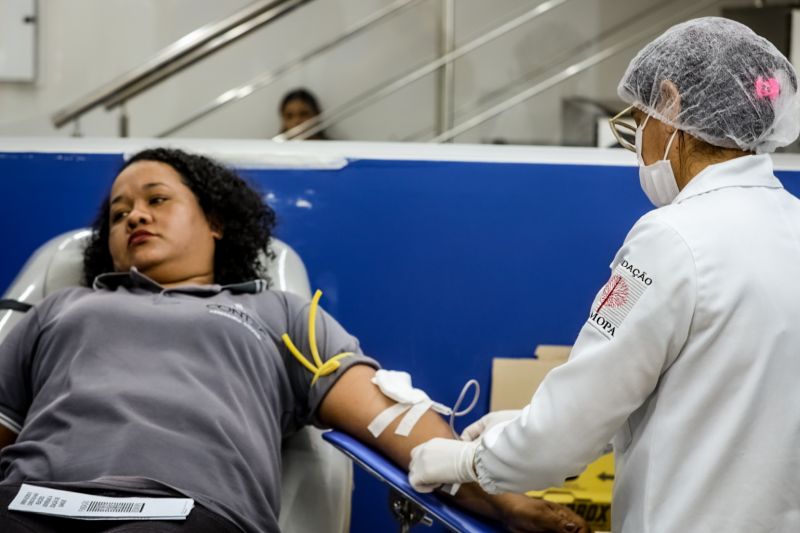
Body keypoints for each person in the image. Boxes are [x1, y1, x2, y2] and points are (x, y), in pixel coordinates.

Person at [0, 148, 589, 533]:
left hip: (181, 512)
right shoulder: (60, 309)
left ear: (215, 222)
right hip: (32, 501)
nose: (133, 218)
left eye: (157, 200)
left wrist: (502, 498)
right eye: (120, 212)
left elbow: (393, 421)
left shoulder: (279, 313)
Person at [408, 16, 800, 533]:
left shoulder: (670, 240)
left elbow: (566, 432)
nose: (638, 142)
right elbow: (724, 407)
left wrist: (468, 462)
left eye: (639, 120)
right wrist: (529, 430)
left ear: (671, 102)